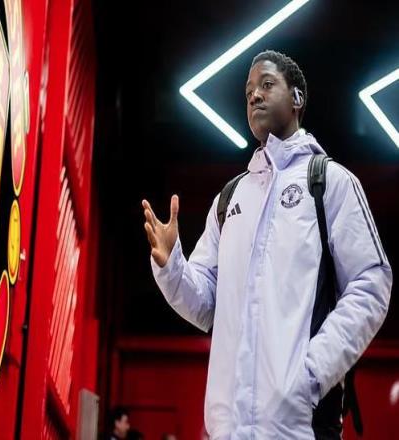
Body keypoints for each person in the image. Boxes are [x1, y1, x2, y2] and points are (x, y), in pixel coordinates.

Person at [142, 50, 392, 439]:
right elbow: (206, 305)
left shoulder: (330, 182)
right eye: (248, 92)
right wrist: (171, 266)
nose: (255, 95)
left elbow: (371, 283)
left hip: (300, 426)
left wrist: (310, 375)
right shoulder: (229, 198)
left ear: (297, 98)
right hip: (228, 429)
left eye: (267, 84)